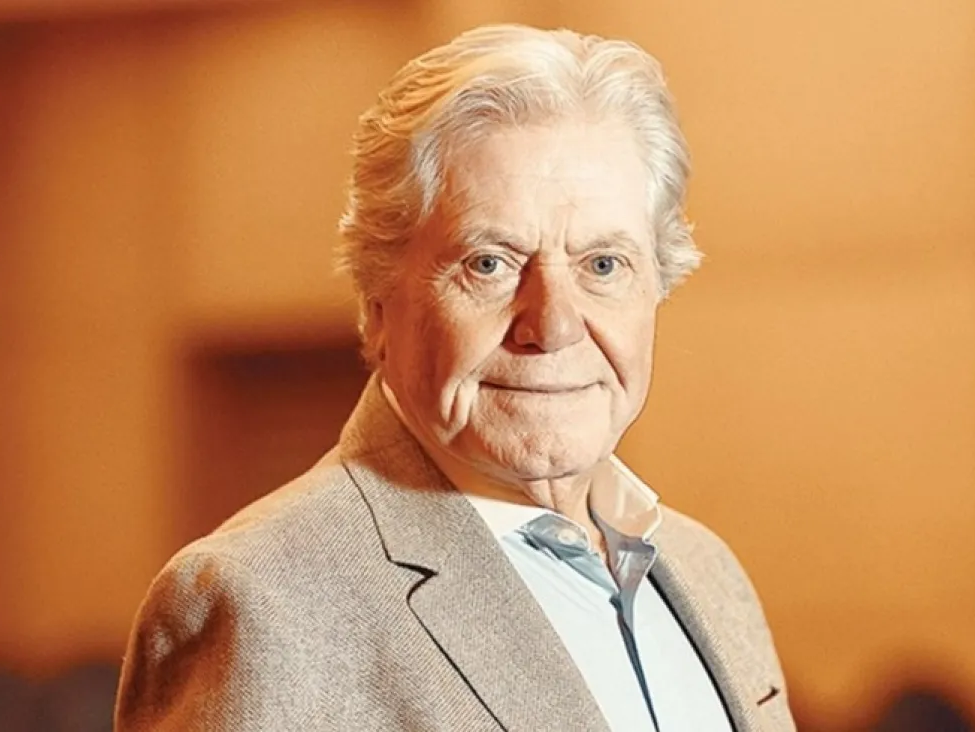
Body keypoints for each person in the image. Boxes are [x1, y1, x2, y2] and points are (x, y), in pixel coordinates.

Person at [115, 23, 795, 732]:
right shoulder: (266, 605)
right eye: (489, 264)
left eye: (602, 265)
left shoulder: (708, 575)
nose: (553, 325)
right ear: (377, 303)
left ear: (658, 286)